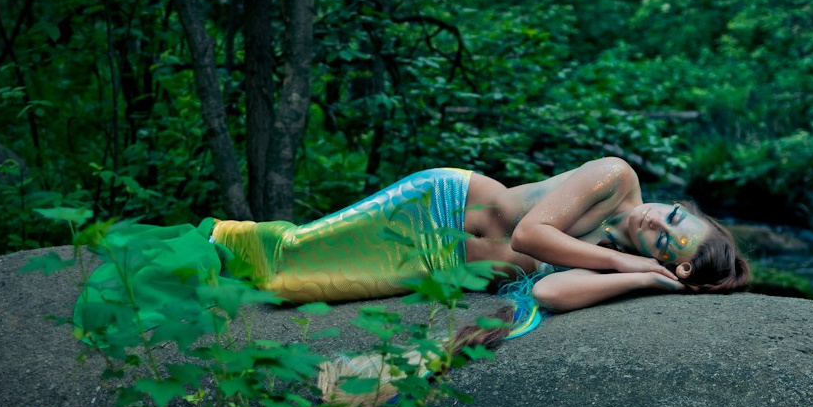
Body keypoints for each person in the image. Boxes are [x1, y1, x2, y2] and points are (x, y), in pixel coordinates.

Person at [211, 156, 749, 313]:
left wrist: (646, 279)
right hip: (433, 210)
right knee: (289, 255)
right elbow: (530, 238)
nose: (656, 222)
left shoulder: (612, 258)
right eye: (674, 217)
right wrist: (630, 263)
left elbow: (546, 291)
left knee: (291, 288)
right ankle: (207, 243)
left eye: (662, 244)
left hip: (438, 266)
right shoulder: (615, 179)